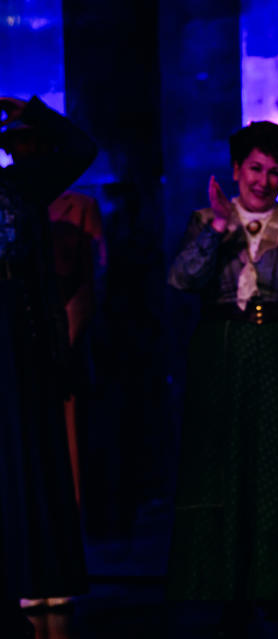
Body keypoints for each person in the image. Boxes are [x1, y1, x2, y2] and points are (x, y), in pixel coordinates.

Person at [166, 121, 278, 631]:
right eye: (256, 169)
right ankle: (228, 583)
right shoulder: (207, 219)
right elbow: (181, 279)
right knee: (227, 461)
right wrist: (219, 230)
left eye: (274, 172)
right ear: (237, 169)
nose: (264, 181)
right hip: (225, 350)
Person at [0, 96, 96, 638]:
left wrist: (30, 107)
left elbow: (83, 148)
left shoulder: (23, 186)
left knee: (34, 447)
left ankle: (43, 571)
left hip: (23, 327)